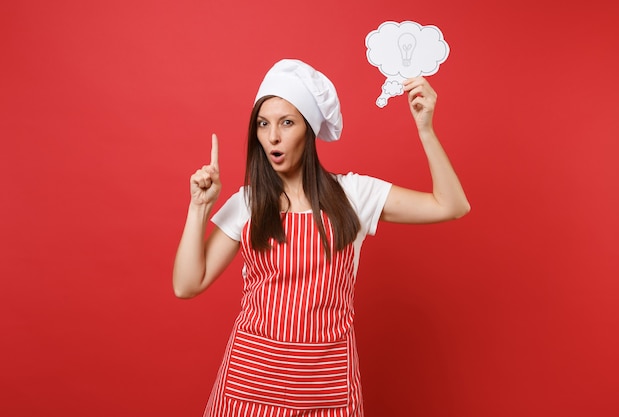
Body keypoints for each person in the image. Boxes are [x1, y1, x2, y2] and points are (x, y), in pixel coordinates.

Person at [173, 59, 470, 416]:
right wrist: (198, 208)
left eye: (287, 123)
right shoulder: (248, 203)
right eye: (263, 124)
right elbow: (186, 285)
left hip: (326, 388)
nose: (272, 137)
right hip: (249, 384)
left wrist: (425, 129)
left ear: (309, 130)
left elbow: (450, 205)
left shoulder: (354, 195)